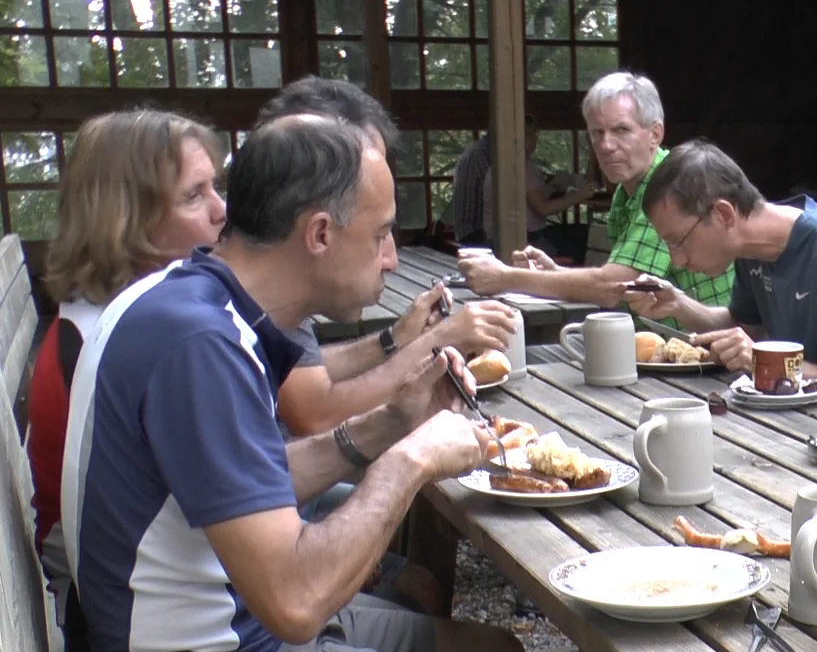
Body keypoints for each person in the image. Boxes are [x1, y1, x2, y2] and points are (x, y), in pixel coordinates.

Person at [60, 117, 610, 652]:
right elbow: (296, 602)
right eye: (381, 234)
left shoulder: (188, 301)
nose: (392, 258)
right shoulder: (200, 345)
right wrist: (410, 461)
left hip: (213, 643)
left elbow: (236, 486)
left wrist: (387, 425)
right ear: (319, 234)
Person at [28, 109, 230, 652]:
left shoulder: (102, 316)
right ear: (127, 218)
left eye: (216, 187)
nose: (221, 209)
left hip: (130, 614)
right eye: (194, 195)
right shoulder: (127, 340)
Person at [622, 139, 817, 437]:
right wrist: (677, 304)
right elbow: (742, 329)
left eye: (678, 241)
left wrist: (770, 366)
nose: (677, 261)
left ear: (723, 214)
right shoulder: (750, 251)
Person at [253, 77, 517, 438]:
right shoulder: (229, 315)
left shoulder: (259, 291)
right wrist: (437, 342)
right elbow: (315, 414)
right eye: (365, 167)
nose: (391, 259)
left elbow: (301, 370)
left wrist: (394, 339)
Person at [456, 72, 734, 312]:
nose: (606, 145)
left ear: (655, 134)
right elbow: (620, 285)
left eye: (621, 130)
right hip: (661, 342)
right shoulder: (625, 192)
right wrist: (556, 273)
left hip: (706, 346)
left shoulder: (669, 185)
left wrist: (505, 278)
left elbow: (614, 285)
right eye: (597, 133)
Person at [451, 124, 599, 262]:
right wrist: (581, 194)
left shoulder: (502, 163)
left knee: (576, 233)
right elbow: (543, 208)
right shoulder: (521, 165)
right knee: (586, 243)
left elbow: (527, 195)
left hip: (499, 237)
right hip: (524, 238)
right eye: (535, 135)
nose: (537, 140)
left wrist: (553, 187)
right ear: (525, 141)